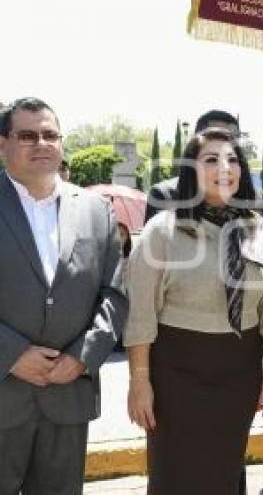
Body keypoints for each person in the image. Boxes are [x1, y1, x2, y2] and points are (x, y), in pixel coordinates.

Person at [124, 128, 263, 493]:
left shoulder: (261, 231)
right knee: (175, 474)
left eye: (232, 160)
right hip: (175, 376)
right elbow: (140, 314)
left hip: (239, 374)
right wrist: (139, 381)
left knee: (225, 473)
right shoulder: (161, 232)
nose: (224, 168)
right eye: (211, 159)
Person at [0, 97, 128, 493]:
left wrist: (82, 356)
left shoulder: (96, 210)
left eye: (50, 135)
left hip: (68, 397)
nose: (41, 143)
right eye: (27, 135)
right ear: (2, 144)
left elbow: (116, 293)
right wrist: (11, 354)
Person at [144, 109, 263, 222]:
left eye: (232, 138)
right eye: (215, 135)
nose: (224, 141)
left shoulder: (258, 198)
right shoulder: (164, 196)